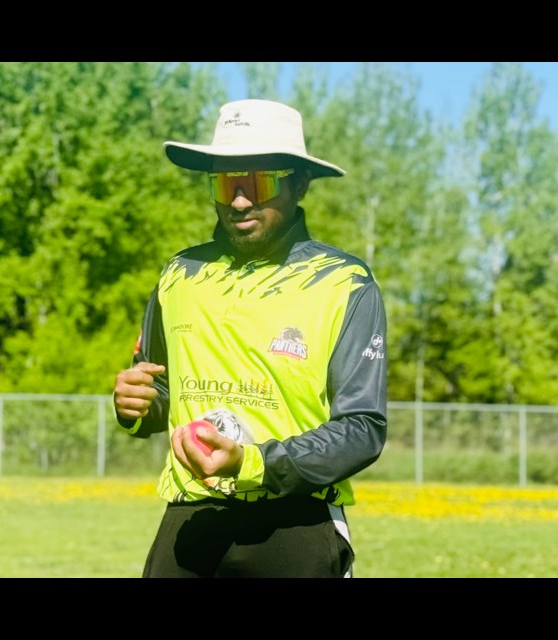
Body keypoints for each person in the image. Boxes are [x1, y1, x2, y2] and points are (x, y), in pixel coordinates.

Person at [112, 98, 388, 578]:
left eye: (258, 182)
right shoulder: (178, 275)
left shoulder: (344, 283)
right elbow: (158, 391)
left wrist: (255, 462)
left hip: (294, 522)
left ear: (299, 184)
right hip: (189, 520)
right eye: (225, 182)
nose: (239, 200)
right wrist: (134, 406)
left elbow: (363, 429)